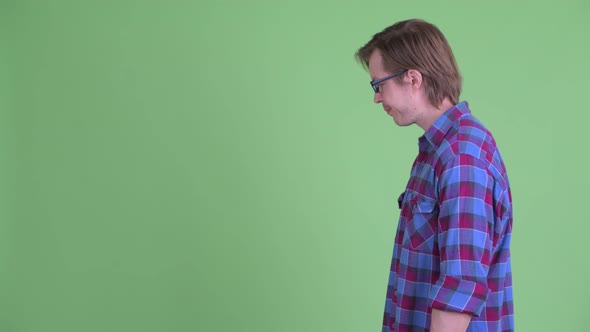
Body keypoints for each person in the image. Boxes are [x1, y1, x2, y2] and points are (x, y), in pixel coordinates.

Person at [355, 19, 514, 332]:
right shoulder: (436, 152)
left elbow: (461, 288)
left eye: (379, 85)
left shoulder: (461, 156)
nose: (376, 97)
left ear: (412, 78)